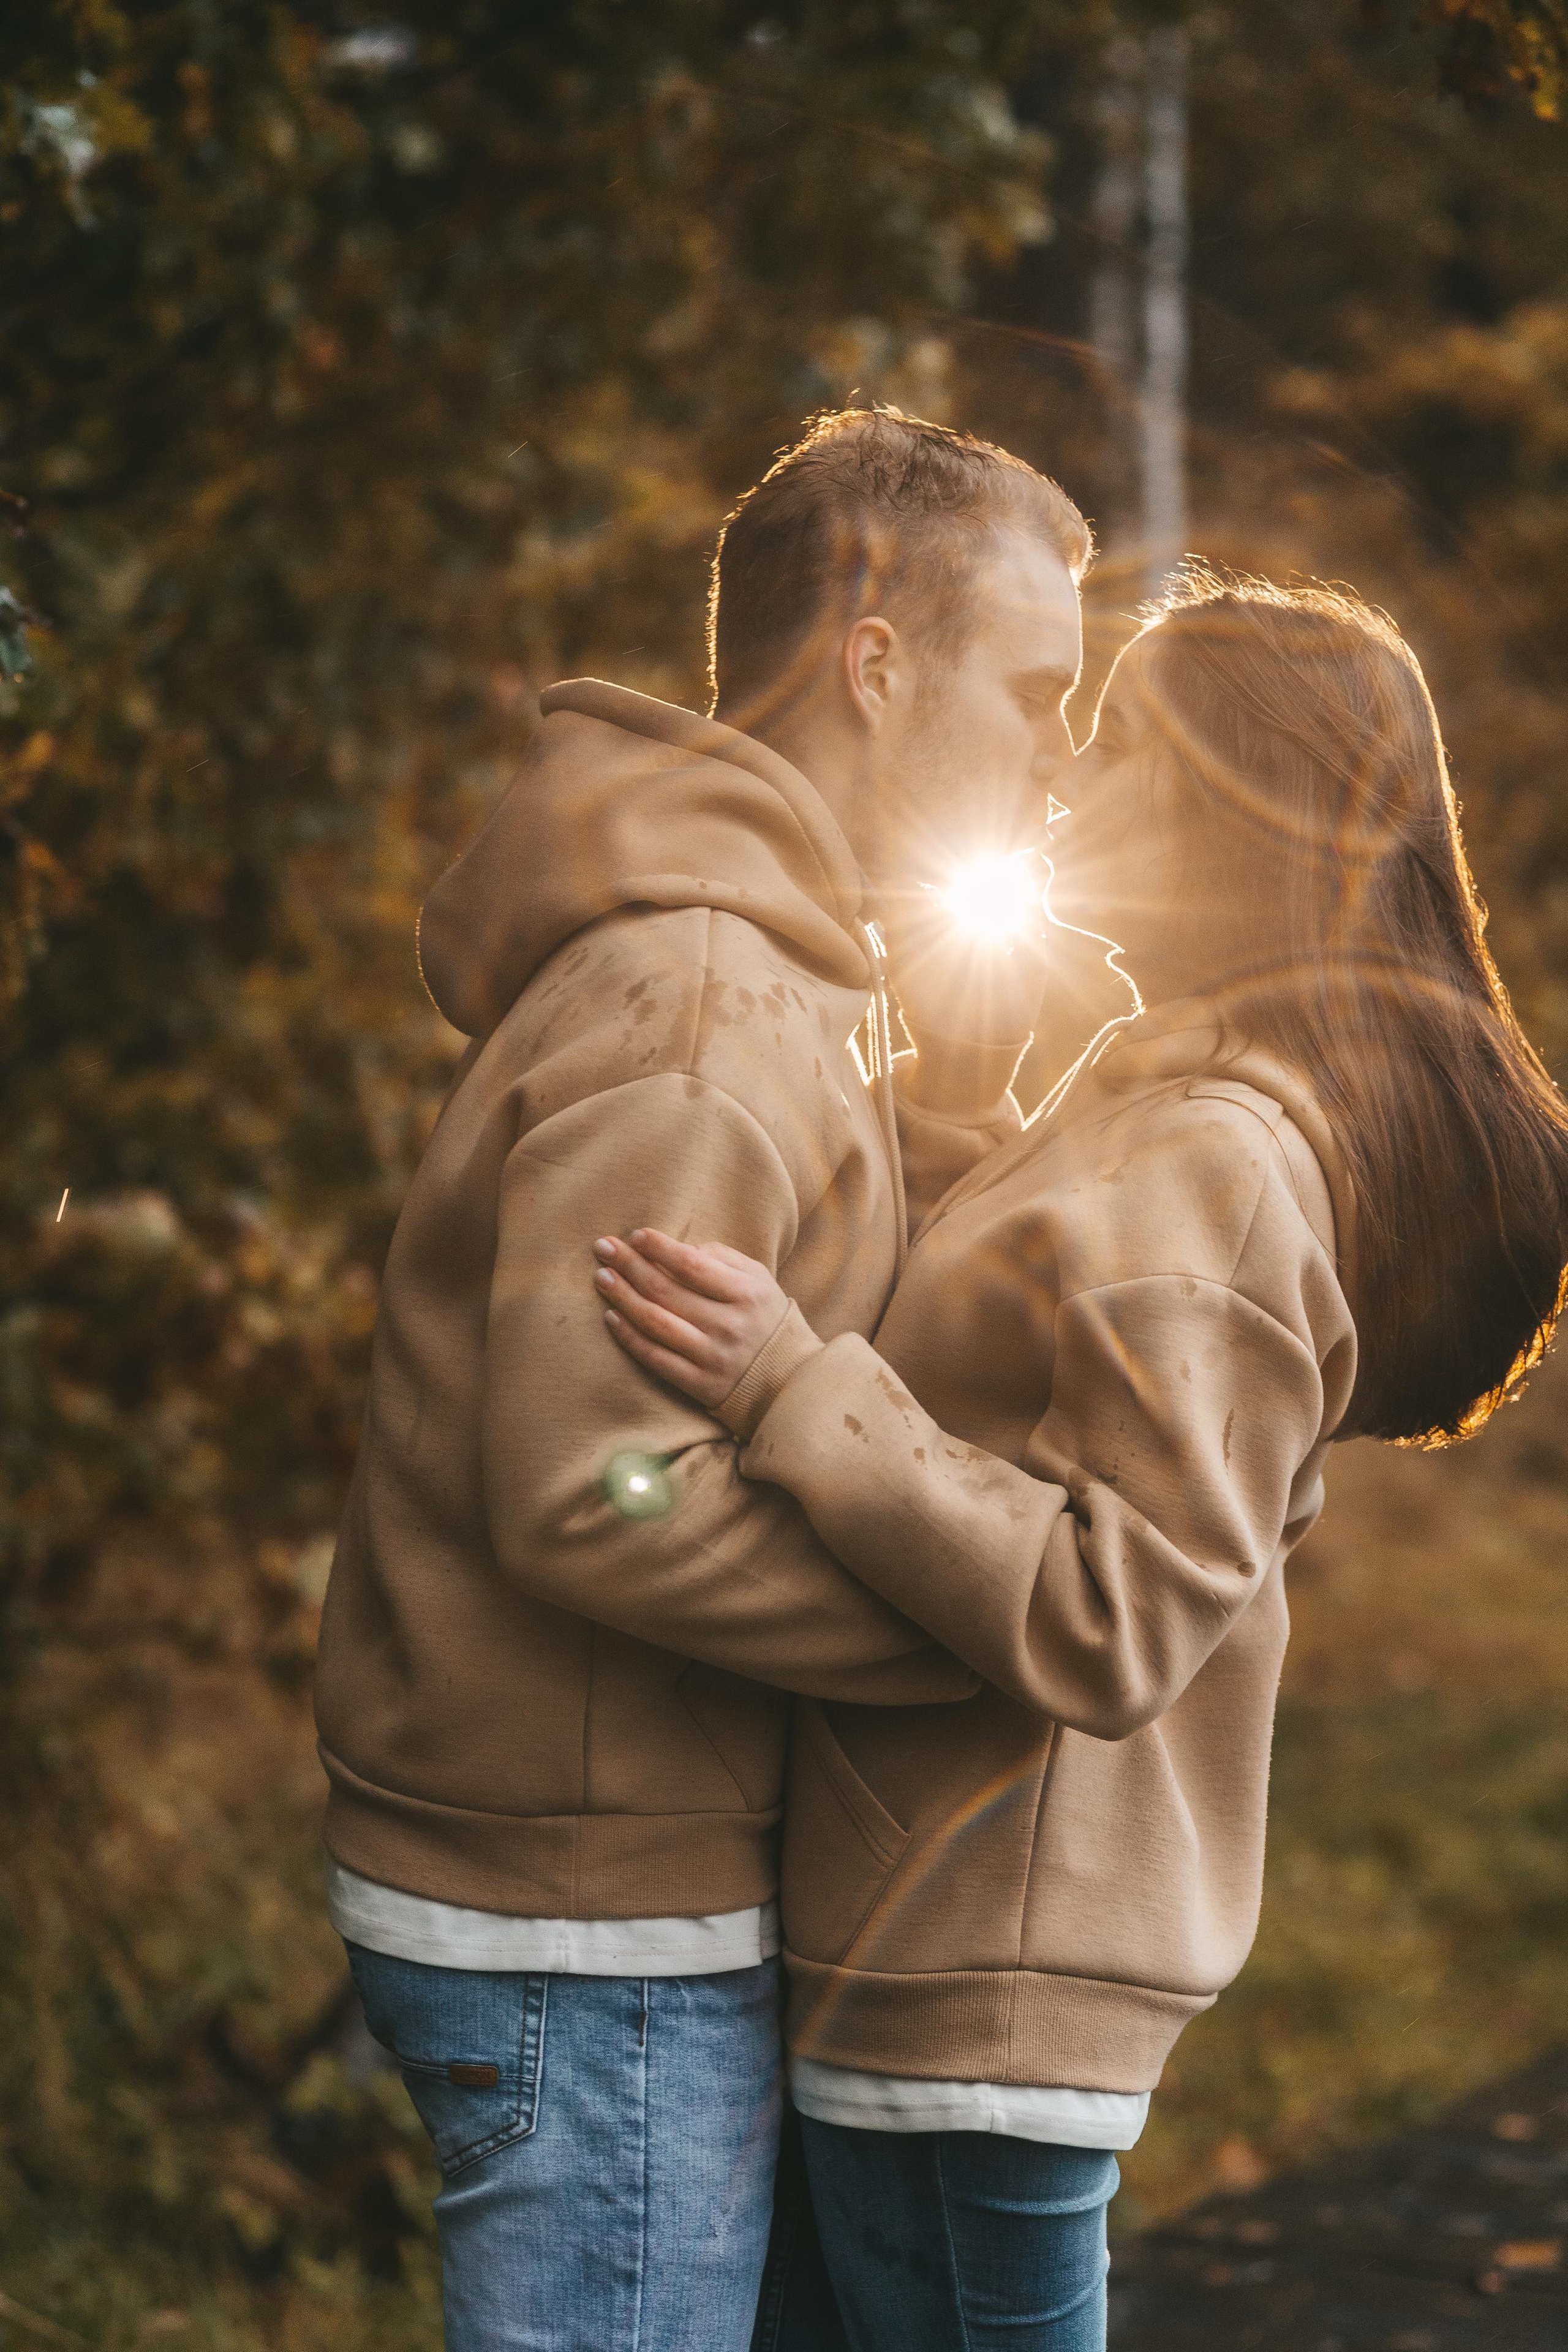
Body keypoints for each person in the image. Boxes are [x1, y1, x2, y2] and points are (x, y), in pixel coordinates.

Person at [596, 568, 1568, 2352]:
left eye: (1111, 750)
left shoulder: (1214, 1160)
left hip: (982, 1989)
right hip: (920, 1958)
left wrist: (796, 1387)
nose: (1061, 786)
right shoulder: (1148, 1107)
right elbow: (1032, 1358)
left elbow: (1117, 1616)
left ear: (1231, 812)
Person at [311, 407, 1093, 2351]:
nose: (1064, 754)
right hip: (587, 1922)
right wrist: (958, 1634)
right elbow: (596, 1483)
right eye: (1035, 692)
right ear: (879, 659)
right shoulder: (705, 1006)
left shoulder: (769, 985)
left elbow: (751, 1282)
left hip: (599, 1881)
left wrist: (936, 1142)